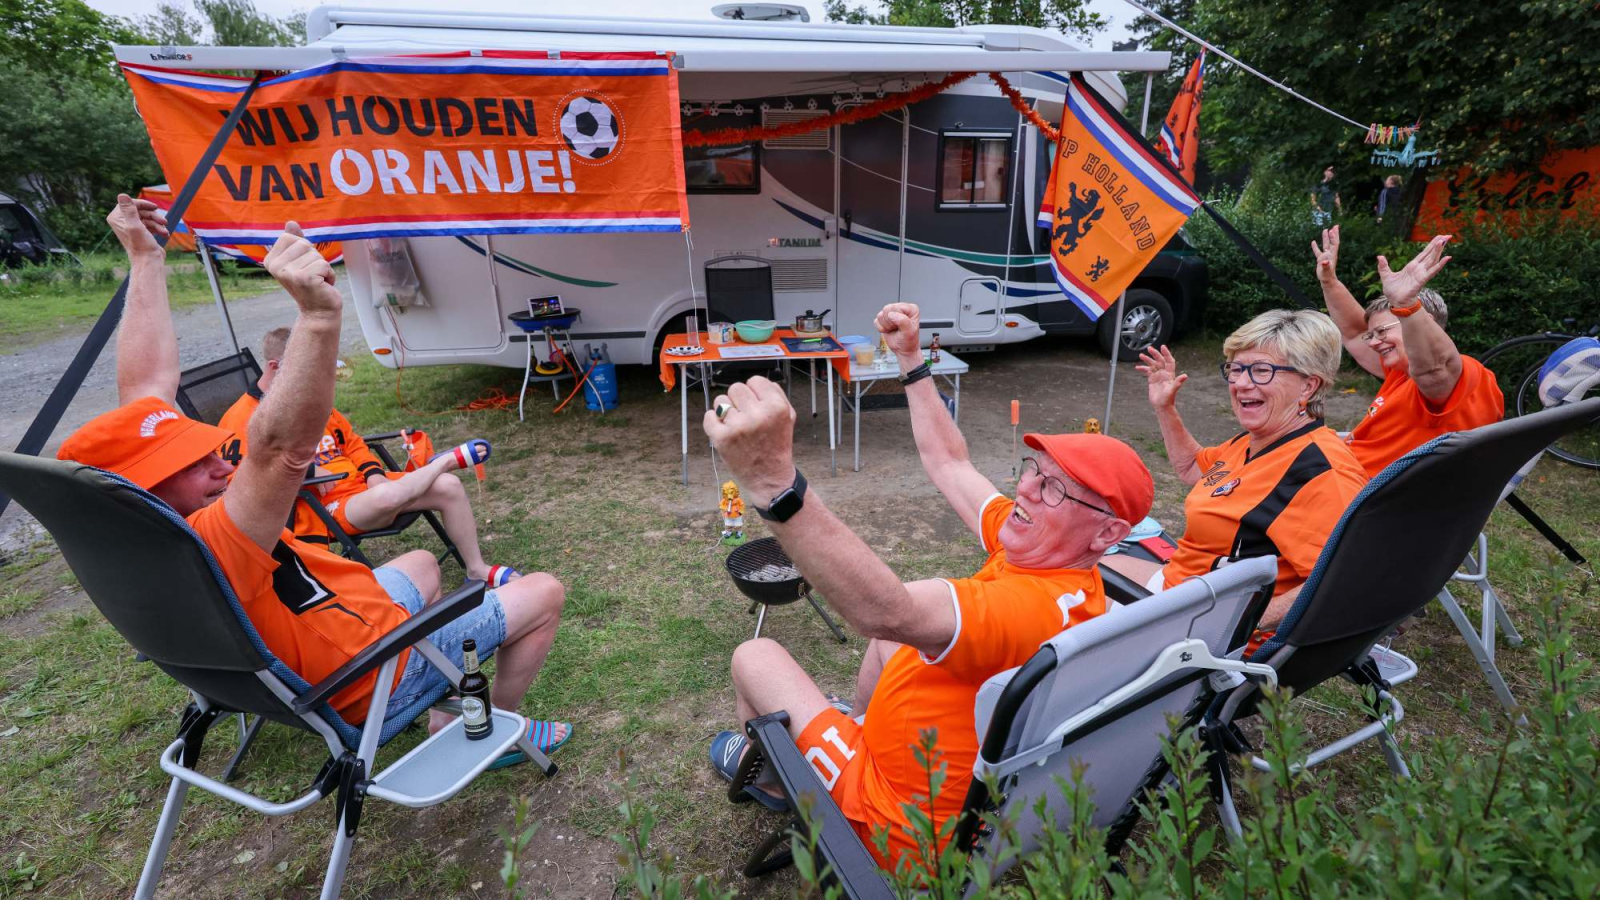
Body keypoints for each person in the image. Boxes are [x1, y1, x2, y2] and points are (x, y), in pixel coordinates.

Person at [57, 196, 569, 761]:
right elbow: (279, 451)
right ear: (147, 493)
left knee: (422, 564)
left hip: (322, 624)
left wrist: (145, 258)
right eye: (194, 467)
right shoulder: (219, 539)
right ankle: (484, 729)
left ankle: (444, 681)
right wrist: (319, 318)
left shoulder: (135, 536)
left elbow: (147, 387)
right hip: (366, 676)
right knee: (543, 592)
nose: (223, 466)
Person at [703, 302, 1151, 871]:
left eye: (1059, 490)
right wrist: (912, 360)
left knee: (756, 656)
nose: (1029, 491)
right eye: (1034, 470)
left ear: (1109, 533)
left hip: (898, 822)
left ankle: (773, 779)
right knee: (893, 647)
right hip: (961, 789)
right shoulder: (1059, 567)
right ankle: (852, 728)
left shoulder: (1022, 608)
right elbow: (950, 462)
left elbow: (883, 610)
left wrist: (773, 482)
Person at [1106, 310, 1367, 633]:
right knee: (1072, 566)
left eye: (1261, 371)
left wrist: (1240, 623)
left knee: (1060, 593)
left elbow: (1340, 585)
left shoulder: (1319, 472)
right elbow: (1193, 467)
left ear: (1307, 386)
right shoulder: (1259, 440)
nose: (1241, 383)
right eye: (1237, 369)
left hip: (1193, 629)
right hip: (1180, 585)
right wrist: (1165, 408)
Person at [218, 326, 519, 586]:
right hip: (328, 509)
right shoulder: (241, 420)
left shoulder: (309, 401)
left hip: (367, 486)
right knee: (387, 498)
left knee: (449, 487)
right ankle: (441, 462)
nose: (314, 379)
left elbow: (352, 442)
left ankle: (477, 569)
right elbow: (239, 484)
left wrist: (374, 475)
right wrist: (303, 473)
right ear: (275, 367)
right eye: (305, 371)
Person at [1311, 227, 1504, 476]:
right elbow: (1353, 333)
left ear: (1427, 322)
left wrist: (1406, 304)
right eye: (1373, 334)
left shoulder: (1459, 377)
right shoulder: (1400, 372)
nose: (1372, 342)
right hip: (1342, 476)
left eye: (1382, 331)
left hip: (1364, 497)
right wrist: (1329, 281)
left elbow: (1434, 368)